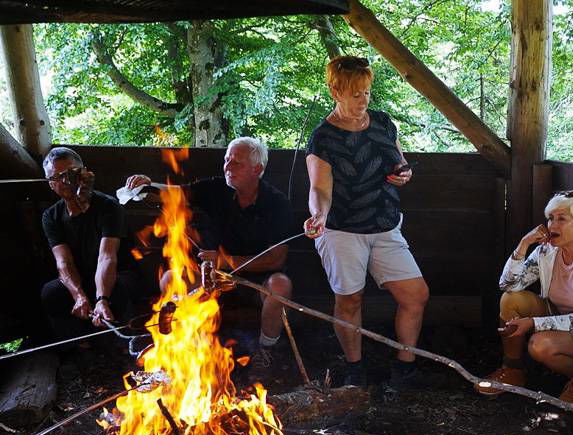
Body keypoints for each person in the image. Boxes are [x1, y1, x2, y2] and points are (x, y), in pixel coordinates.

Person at [304, 55, 429, 388]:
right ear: (335, 91)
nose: (363, 101)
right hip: (342, 230)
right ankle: (354, 368)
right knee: (350, 300)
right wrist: (318, 214)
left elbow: (398, 162)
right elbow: (319, 188)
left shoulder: (383, 122)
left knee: (415, 295)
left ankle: (405, 368)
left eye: (367, 93)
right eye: (355, 94)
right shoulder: (323, 137)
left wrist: (403, 173)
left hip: (386, 225)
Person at [125, 137, 294, 373]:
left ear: (257, 169)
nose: (228, 167)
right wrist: (148, 185)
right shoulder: (216, 188)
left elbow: (276, 259)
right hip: (212, 278)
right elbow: (177, 194)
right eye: (226, 160)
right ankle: (190, 347)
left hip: (256, 281)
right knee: (171, 278)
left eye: (236, 162)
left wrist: (224, 261)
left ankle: (266, 351)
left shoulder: (277, 203)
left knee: (281, 286)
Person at [479, 191, 573, 405]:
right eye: (550, 218)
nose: (552, 225)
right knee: (510, 299)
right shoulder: (547, 250)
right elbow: (508, 285)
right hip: (558, 316)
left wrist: (533, 323)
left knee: (540, 345)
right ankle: (512, 370)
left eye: (562, 219)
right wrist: (524, 244)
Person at [41, 147, 138, 342]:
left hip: (117, 273)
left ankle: (122, 344)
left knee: (117, 290)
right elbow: (64, 262)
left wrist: (102, 298)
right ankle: (79, 346)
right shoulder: (51, 216)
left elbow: (107, 257)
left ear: (83, 173)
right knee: (51, 292)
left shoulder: (108, 206)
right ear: (51, 183)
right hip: (82, 276)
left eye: (71, 173)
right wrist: (79, 295)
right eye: (57, 177)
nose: (66, 181)